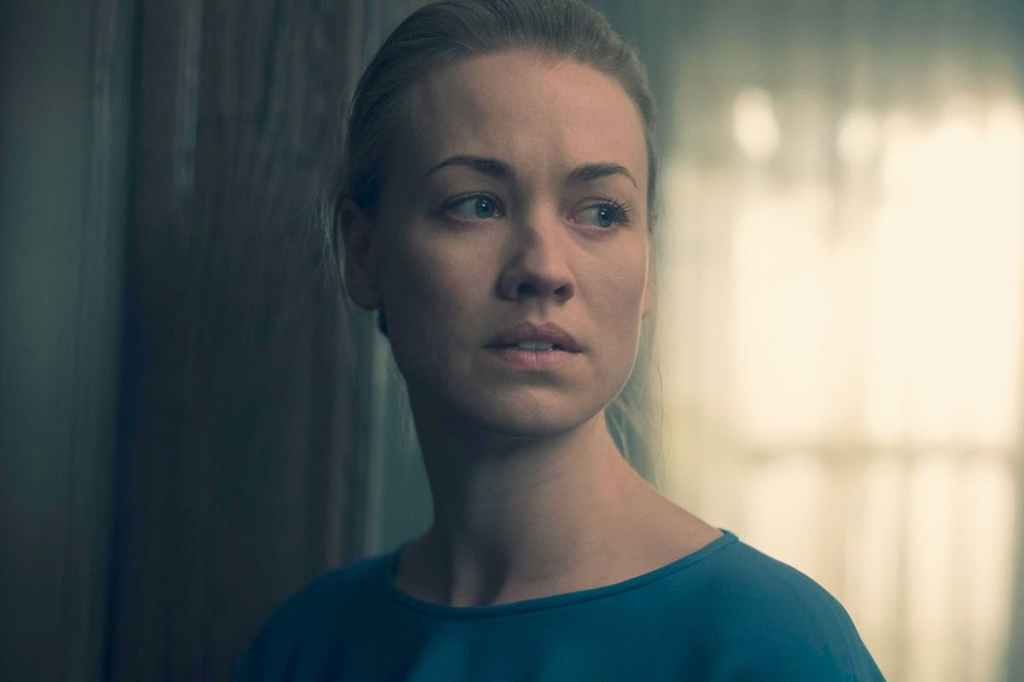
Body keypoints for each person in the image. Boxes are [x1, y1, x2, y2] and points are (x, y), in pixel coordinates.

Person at [235, 0, 885, 679]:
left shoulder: (773, 646)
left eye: (601, 213)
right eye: (477, 204)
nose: (543, 269)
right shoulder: (302, 646)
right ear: (363, 252)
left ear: (649, 266)